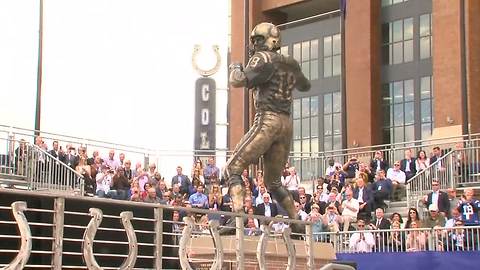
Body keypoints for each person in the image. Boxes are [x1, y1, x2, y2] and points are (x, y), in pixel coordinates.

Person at [223, 22, 310, 234]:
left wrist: (235, 66)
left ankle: (238, 219)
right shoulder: (291, 63)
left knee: (232, 169)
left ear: (269, 40)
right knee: (273, 182)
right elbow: (304, 85)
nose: (255, 44)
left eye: (258, 39)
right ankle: (296, 220)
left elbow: (237, 81)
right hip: (286, 123)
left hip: (268, 118)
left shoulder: (262, 58)